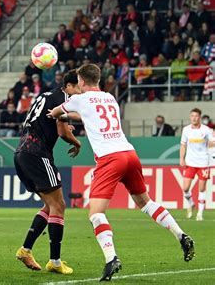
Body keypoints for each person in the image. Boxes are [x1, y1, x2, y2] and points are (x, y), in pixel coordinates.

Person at [47, 64, 195, 281]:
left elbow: (60, 111)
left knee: (96, 213)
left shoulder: (80, 98)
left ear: (81, 82)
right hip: (129, 153)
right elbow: (89, 116)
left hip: (109, 158)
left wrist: (53, 114)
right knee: (146, 202)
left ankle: (111, 258)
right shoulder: (110, 98)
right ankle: (181, 235)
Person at [15, 70, 81, 275]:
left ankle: (25, 250)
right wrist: (77, 142)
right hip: (37, 153)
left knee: (50, 205)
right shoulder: (63, 99)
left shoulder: (45, 95)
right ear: (69, 86)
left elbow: (56, 125)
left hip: (22, 152)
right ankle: (55, 261)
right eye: (79, 87)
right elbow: (62, 131)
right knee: (59, 205)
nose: (81, 91)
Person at [180, 108, 214, 221]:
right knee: (185, 188)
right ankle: (190, 203)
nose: (194, 118)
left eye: (196, 116)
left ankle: (200, 213)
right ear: (190, 117)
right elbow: (183, 145)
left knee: (202, 188)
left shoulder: (206, 130)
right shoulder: (186, 130)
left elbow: (212, 142)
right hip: (190, 162)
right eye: (192, 116)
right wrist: (182, 158)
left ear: (200, 117)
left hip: (203, 162)